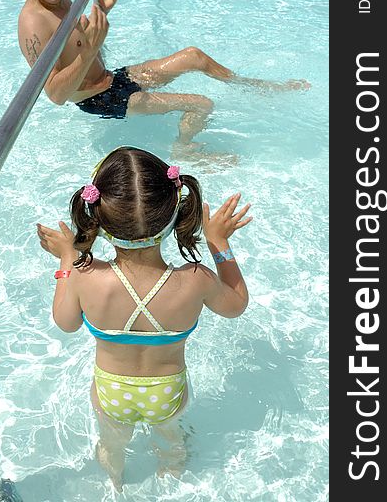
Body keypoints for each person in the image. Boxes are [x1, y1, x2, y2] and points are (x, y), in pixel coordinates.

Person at [36, 146, 252, 491]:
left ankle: (115, 479)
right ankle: (172, 475)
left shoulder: (86, 275)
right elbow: (236, 304)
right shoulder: (195, 279)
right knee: (171, 437)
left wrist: (66, 258)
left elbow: (66, 322)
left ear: (97, 219)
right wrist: (218, 242)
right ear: (173, 214)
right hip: (167, 392)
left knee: (112, 442)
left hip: (112, 392)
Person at [17, 0, 310, 156]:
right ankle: (184, 148)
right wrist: (92, 48)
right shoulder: (33, 25)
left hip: (113, 78)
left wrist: (103, 10)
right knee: (201, 105)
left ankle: (252, 85)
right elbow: (56, 94)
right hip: (99, 99)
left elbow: (81, 42)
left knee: (194, 56)